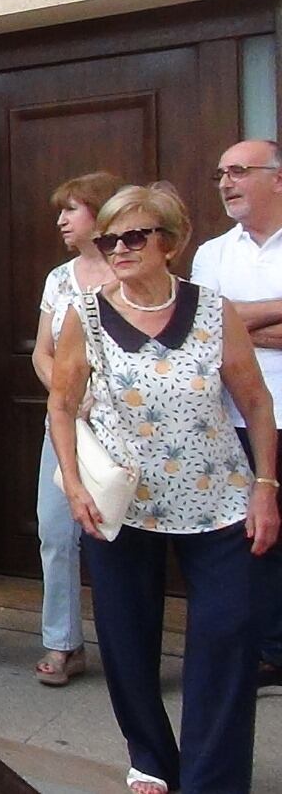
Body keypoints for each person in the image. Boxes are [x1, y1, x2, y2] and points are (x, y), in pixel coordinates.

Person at [49, 185, 277, 794]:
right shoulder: (87, 313)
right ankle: (151, 757)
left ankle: (213, 779)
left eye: (134, 236)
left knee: (227, 639)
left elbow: (255, 401)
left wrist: (265, 486)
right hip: (123, 508)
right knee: (126, 642)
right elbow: (63, 402)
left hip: (220, 501)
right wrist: (73, 485)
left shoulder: (212, 308)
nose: (118, 249)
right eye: (109, 239)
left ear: (169, 244)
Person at [191, 139, 282, 692]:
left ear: (277, 178)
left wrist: (241, 327)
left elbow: (228, 325)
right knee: (254, 541)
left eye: (239, 171)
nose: (226, 182)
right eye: (221, 172)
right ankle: (268, 651)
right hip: (235, 420)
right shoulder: (211, 254)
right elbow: (207, 327)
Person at [28, 172, 122, 685]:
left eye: (72, 209)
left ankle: (127, 645)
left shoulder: (130, 270)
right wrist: (65, 393)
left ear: (100, 213)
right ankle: (63, 642)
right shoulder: (59, 278)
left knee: (119, 536)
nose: (62, 220)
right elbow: (43, 352)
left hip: (124, 426)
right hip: (66, 425)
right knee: (55, 529)